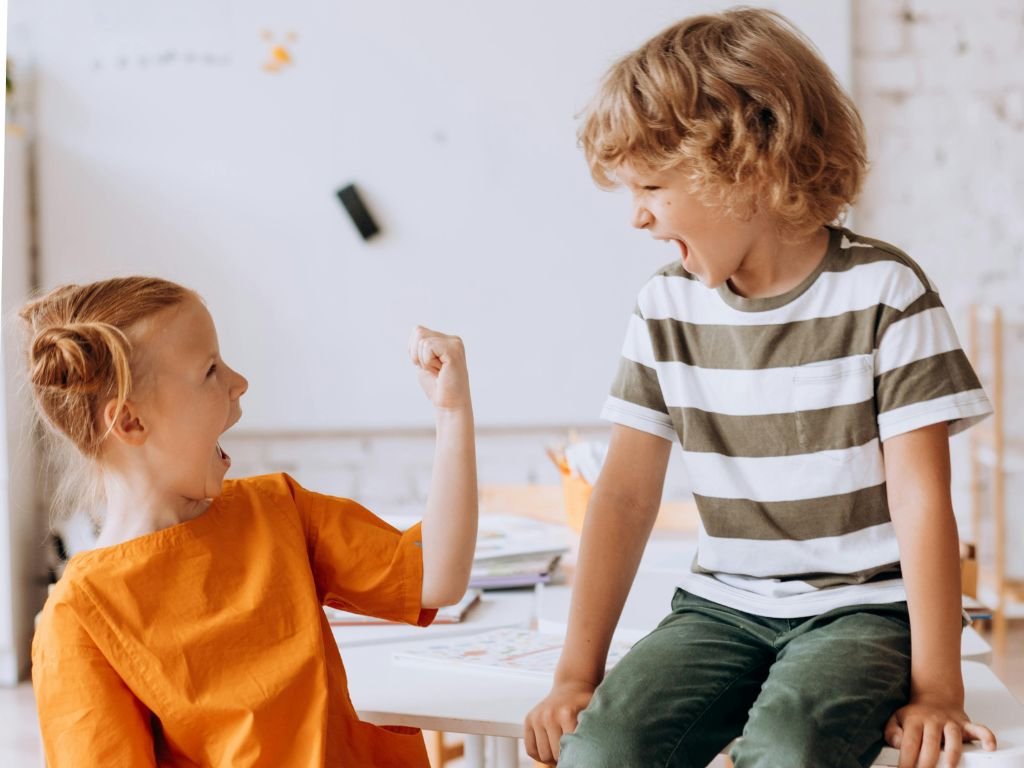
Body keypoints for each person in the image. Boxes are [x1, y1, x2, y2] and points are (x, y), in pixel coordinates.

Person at [524, 8, 997, 768]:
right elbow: (622, 496)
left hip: (861, 611)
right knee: (601, 748)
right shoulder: (664, 306)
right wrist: (575, 677)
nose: (638, 215)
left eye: (651, 184)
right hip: (721, 607)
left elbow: (921, 502)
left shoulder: (887, 294)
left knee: (787, 749)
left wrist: (939, 689)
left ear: (747, 165)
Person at [26, 277, 478, 767]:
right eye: (210, 371)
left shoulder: (278, 509)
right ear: (131, 422)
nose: (239, 382)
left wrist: (451, 411)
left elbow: (436, 576)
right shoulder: (78, 620)